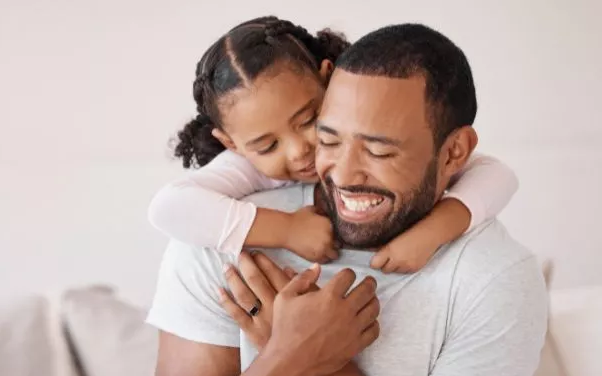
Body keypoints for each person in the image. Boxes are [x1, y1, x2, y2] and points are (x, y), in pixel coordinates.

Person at [147, 20, 547, 376]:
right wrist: (288, 360)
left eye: (379, 150)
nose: (339, 170)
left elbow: (496, 174)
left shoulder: (491, 275)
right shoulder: (220, 237)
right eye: (330, 139)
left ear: (454, 152)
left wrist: (310, 358)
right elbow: (170, 207)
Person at [147, 16, 519, 274]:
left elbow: (497, 174)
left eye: (310, 122)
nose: (299, 151)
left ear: (329, 80)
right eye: (267, 145)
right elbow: (168, 208)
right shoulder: (242, 168)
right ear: (234, 144)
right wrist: (286, 230)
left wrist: (434, 231)